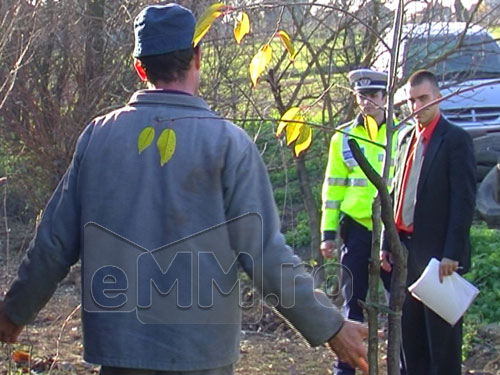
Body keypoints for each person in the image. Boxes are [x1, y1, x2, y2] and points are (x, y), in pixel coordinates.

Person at [0, 4, 369, 375]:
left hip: (120, 352)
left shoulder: (99, 137)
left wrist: (13, 313)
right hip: (202, 354)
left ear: (139, 67)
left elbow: (53, 242)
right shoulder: (228, 143)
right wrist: (330, 326)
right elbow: (263, 255)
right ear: (198, 56)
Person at [381, 70, 476, 375]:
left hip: (439, 259)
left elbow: (464, 201)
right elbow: (396, 192)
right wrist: (387, 242)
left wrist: (453, 252)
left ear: (437, 97)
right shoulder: (405, 138)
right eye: (411, 101)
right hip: (404, 254)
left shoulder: (455, 140)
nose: (417, 106)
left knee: (443, 347)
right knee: (411, 343)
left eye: (423, 98)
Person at [321, 68, 397, 375]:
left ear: (384, 98)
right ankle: (347, 368)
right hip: (356, 230)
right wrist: (328, 232)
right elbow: (332, 186)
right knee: (352, 304)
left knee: (398, 305)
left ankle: (400, 366)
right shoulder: (343, 137)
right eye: (360, 97)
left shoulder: (398, 133)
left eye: (372, 96)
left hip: (393, 233)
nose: (365, 103)